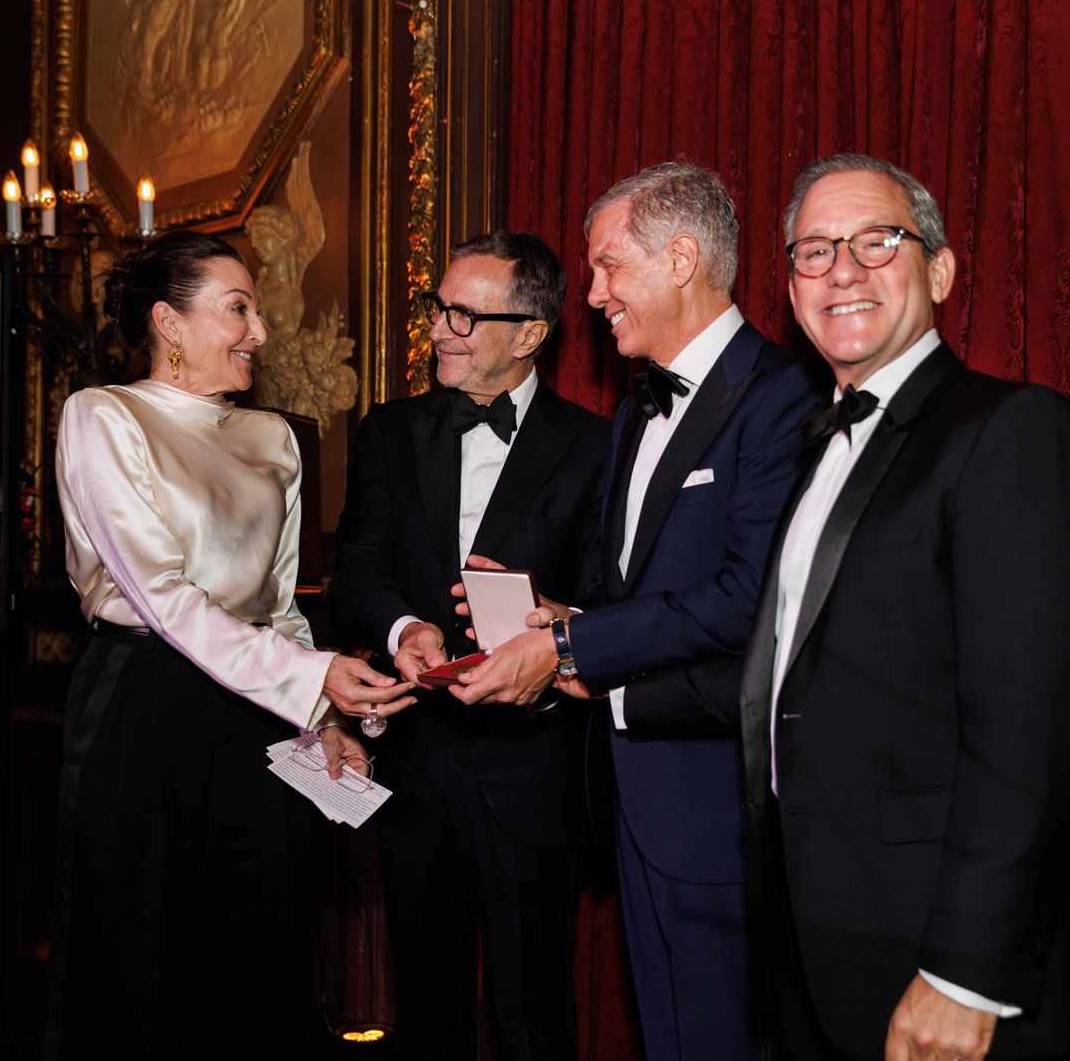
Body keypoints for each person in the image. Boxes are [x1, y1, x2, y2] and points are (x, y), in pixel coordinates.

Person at [450, 163, 825, 1060]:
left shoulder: (781, 398)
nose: (594, 293)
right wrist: (555, 615)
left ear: (684, 258)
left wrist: (573, 645)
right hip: (630, 805)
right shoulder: (630, 414)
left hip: (717, 808)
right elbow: (642, 601)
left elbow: (751, 598)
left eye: (611, 268)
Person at [44, 231, 414, 1060]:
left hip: (256, 711)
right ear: (168, 324)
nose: (260, 332)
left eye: (257, 309)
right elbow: (162, 596)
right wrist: (312, 678)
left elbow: (279, 610)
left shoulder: (274, 440)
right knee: (139, 955)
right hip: (143, 701)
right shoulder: (103, 415)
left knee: (258, 952)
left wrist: (324, 722)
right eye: (238, 308)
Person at [737, 153, 1070, 1060]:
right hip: (809, 923)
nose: (842, 269)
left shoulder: (1007, 430)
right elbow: (803, 675)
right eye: (813, 251)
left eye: (877, 241)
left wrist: (968, 973)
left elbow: (1027, 726)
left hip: (932, 942)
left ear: (942, 271)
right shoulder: (815, 446)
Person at [328, 231, 611, 1061]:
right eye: (437, 308)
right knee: (423, 1009)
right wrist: (400, 628)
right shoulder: (389, 432)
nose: (440, 329)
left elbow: (616, 600)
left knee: (534, 1015)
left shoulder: (599, 447)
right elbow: (356, 569)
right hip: (418, 762)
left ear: (529, 333)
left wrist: (554, 632)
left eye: (463, 314)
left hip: (533, 770)